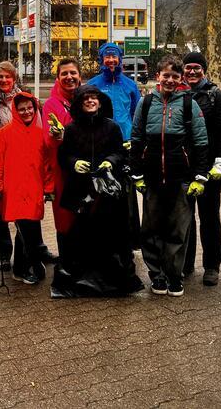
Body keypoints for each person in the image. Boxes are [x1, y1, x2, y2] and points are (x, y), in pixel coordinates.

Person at [51, 85, 144, 298]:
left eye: (94, 98)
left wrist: (110, 162)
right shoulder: (72, 129)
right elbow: (64, 155)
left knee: (108, 235)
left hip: (107, 193)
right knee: (81, 235)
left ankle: (112, 280)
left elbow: (120, 153)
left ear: (100, 102)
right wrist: (74, 163)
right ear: (80, 103)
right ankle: (82, 279)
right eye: (86, 99)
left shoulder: (112, 127)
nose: (90, 102)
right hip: (82, 192)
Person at [130, 57, 210, 297]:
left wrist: (200, 175)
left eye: (175, 76)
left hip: (181, 178)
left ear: (181, 79)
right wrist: (137, 173)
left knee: (178, 230)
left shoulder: (189, 104)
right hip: (152, 178)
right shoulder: (145, 104)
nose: (170, 80)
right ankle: (156, 275)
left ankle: (174, 275)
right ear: (158, 76)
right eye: (166, 75)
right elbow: (136, 139)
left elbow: (201, 142)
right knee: (151, 229)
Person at [0, 61, 56, 271]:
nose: (3, 80)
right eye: (0, 76)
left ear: (14, 78)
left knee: (29, 211)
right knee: (0, 209)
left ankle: (34, 248)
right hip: (1, 156)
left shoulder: (24, 97)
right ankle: (3, 252)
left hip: (25, 157)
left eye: (7, 77)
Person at [0, 92, 54, 284]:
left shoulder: (40, 134)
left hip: (34, 190)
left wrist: (48, 188)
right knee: (24, 228)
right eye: (21, 109)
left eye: (29, 108)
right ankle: (24, 268)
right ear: (15, 110)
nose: (26, 112)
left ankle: (26, 265)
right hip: (13, 191)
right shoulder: (5, 133)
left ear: (35, 108)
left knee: (29, 228)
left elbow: (47, 163)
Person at [181, 52, 221, 286]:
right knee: (185, 216)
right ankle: (186, 262)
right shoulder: (177, 94)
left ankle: (212, 265)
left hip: (209, 165)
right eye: (188, 68)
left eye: (197, 68)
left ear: (204, 70)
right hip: (183, 166)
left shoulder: (215, 95)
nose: (192, 72)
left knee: (209, 216)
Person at [87, 42, 142, 249]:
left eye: (114, 56)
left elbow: (137, 115)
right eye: (107, 57)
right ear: (101, 59)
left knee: (126, 193)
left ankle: (130, 238)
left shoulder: (130, 85)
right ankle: (103, 239)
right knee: (102, 191)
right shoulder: (93, 84)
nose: (111, 60)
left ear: (120, 59)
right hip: (101, 145)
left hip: (125, 145)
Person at [42, 58, 81, 252]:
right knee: (65, 216)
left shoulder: (87, 99)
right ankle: (67, 265)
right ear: (58, 78)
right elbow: (49, 142)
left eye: (73, 73)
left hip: (85, 169)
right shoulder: (51, 104)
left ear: (79, 76)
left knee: (86, 216)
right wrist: (56, 135)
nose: (69, 77)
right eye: (64, 73)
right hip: (63, 171)